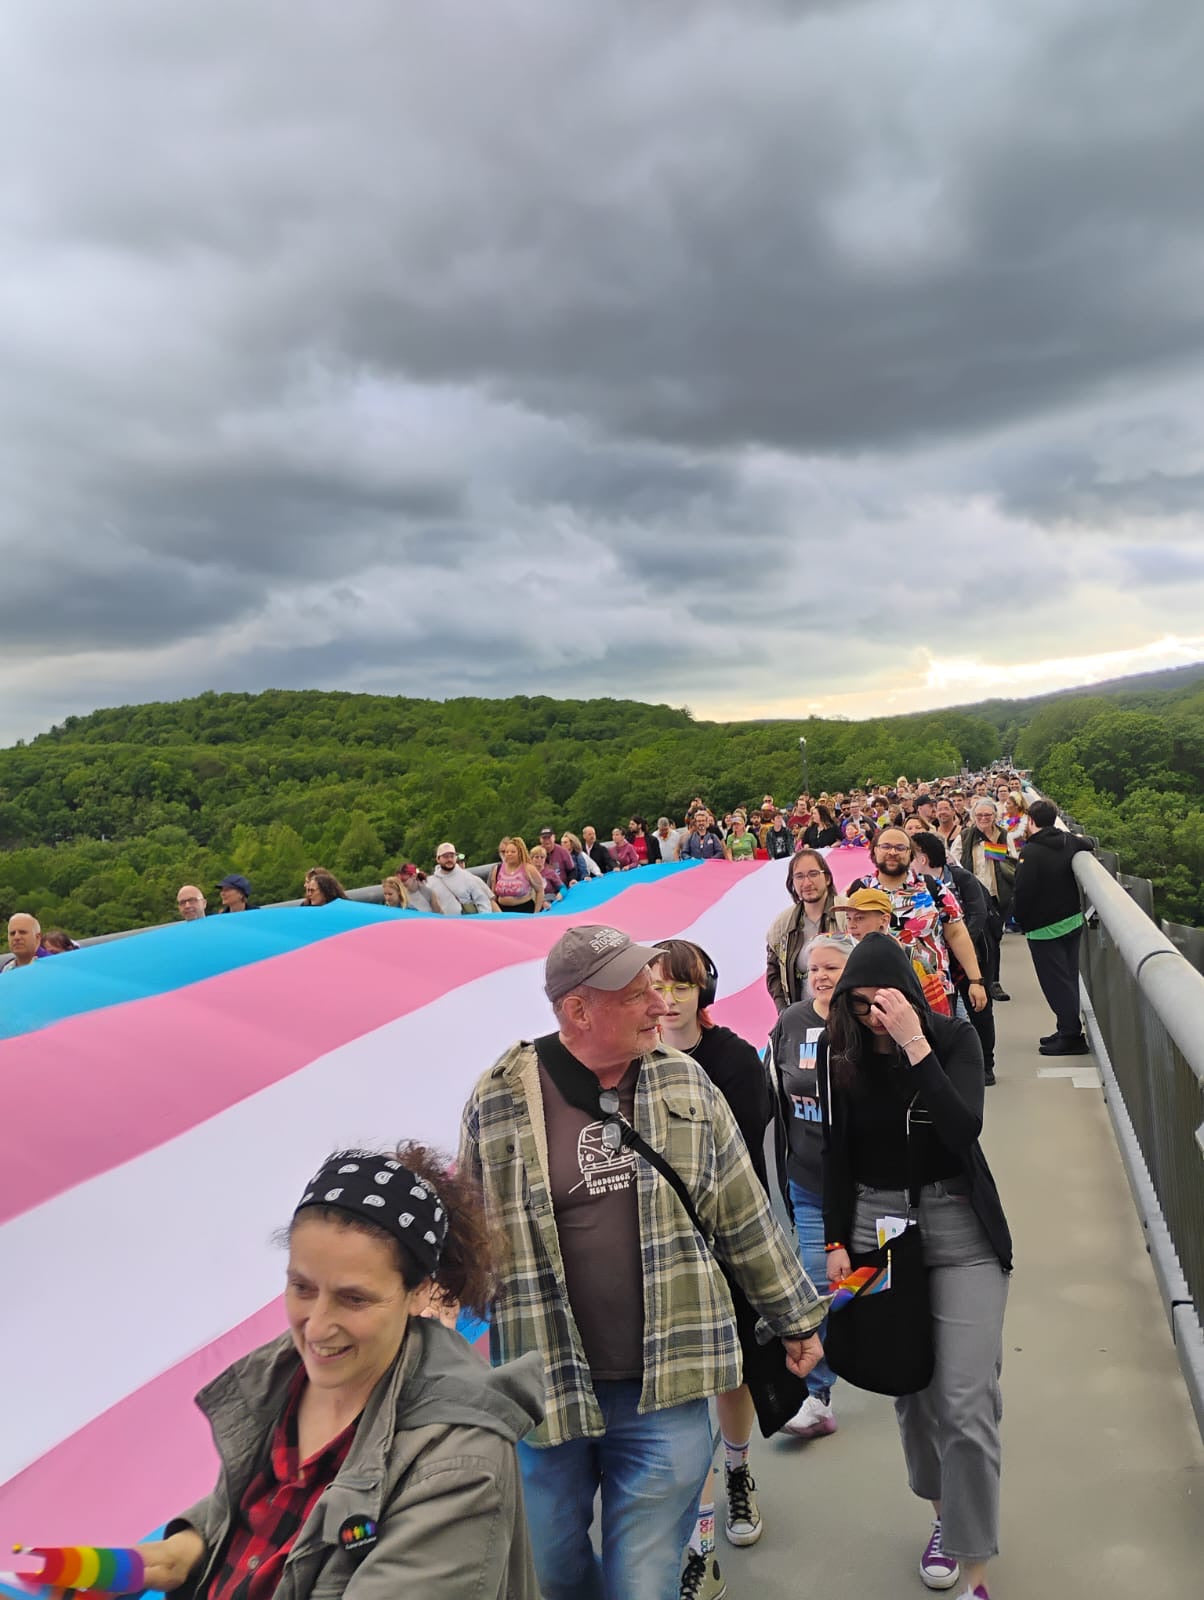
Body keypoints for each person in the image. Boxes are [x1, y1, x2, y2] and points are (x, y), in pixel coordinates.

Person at [459, 926, 826, 1600]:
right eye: (638, 996)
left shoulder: (685, 1082)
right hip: (548, 1388)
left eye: (662, 990)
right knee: (555, 1570)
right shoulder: (500, 1096)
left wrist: (796, 1318)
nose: (662, 1007)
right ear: (578, 1010)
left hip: (670, 1382)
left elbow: (741, 1212)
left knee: (643, 1579)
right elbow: (471, 1235)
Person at [126, 1145, 544, 1599]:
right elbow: (265, 1504)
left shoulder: (458, 1462)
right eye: (302, 1288)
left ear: (420, 1291)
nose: (317, 1327)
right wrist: (183, 1550)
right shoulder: (285, 1377)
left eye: (354, 1299)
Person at [819, 934, 1012, 1600]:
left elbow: (963, 1130)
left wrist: (915, 1045)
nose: (875, 1015)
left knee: (964, 1402)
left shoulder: (952, 1039)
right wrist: (835, 1242)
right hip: (876, 1230)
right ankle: (942, 1514)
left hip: (959, 1225)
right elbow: (835, 1153)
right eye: (862, 1004)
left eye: (885, 1001)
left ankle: (975, 1570)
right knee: (909, 1391)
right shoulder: (837, 1053)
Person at [651, 939, 773, 1590]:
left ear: (705, 991)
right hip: (659, 1255)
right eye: (658, 986)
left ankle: (738, 1467)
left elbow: (750, 1165)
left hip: (723, 1244)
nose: (668, 999)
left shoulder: (734, 1061)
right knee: (683, 1393)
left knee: (730, 1377)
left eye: (681, 985)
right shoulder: (629, 1064)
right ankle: (700, 1545)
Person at [766, 934, 856, 1441]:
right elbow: (773, 1096)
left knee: (869, 1286)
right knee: (817, 1283)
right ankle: (817, 1394)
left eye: (831, 967)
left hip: (867, 1188)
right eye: (812, 969)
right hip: (810, 1182)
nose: (820, 976)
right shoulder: (791, 1022)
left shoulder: (868, 1018)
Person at [849, 829, 988, 1019]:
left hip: (933, 989)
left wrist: (976, 980)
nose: (892, 852)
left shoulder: (933, 888)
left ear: (911, 854)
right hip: (877, 992)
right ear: (874, 851)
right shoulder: (859, 890)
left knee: (936, 1045)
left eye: (900, 848)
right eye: (886, 846)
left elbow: (957, 934)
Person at [911, 833, 998, 1087]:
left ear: (922, 858)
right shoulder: (911, 887)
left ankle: (986, 1063)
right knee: (944, 1014)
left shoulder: (960, 879)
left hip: (967, 958)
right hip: (934, 966)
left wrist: (956, 946)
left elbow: (978, 914)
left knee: (979, 1008)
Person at [1011, 799, 1096, 1056]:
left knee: (1055, 984)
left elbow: (1023, 892)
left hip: (1043, 928)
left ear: (1031, 821)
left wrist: (1021, 920)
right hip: (1071, 921)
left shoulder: (1031, 852)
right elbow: (1088, 843)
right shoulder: (1069, 841)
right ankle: (1066, 1028)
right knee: (1068, 977)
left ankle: (1071, 1037)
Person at [765, 850, 841, 1013]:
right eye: (799, 876)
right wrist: (785, 1012)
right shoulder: (782, 925)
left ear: (827, 878)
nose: (806, 883)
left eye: (813, 874)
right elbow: (774, 974)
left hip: (844, 1015)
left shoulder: (847, 915)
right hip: (802, 1018)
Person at [959, 800, 1016, 1003]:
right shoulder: (965, 837)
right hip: (973, 896)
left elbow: (1013, 860)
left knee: (994, 938)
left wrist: (997, 851)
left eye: (988, 815)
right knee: (980, 938)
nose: (984, 819)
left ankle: (992, 980)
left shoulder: (1003, 836)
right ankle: (985, 980)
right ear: (974, 817)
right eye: (980, 815)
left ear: (995, 816)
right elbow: (956, 862)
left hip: (996, 894)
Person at [433, 843, 497, 913]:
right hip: (442, 922)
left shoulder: (468, 877)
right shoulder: (431, 882)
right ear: (438, 859)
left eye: (452, 856)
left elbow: (483, 901)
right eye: (445, 857)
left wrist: (482, 920)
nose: (449, 859)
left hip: (465, 922)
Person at [488, 838, 546, 913]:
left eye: (513, 852)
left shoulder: (528, 869)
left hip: (523, 910)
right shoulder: (497, 869)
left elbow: (540, 890)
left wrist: (536, 912)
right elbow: (493, 894)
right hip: (501, 910)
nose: (509, 854)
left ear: (520, 853)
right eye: (507, 852)